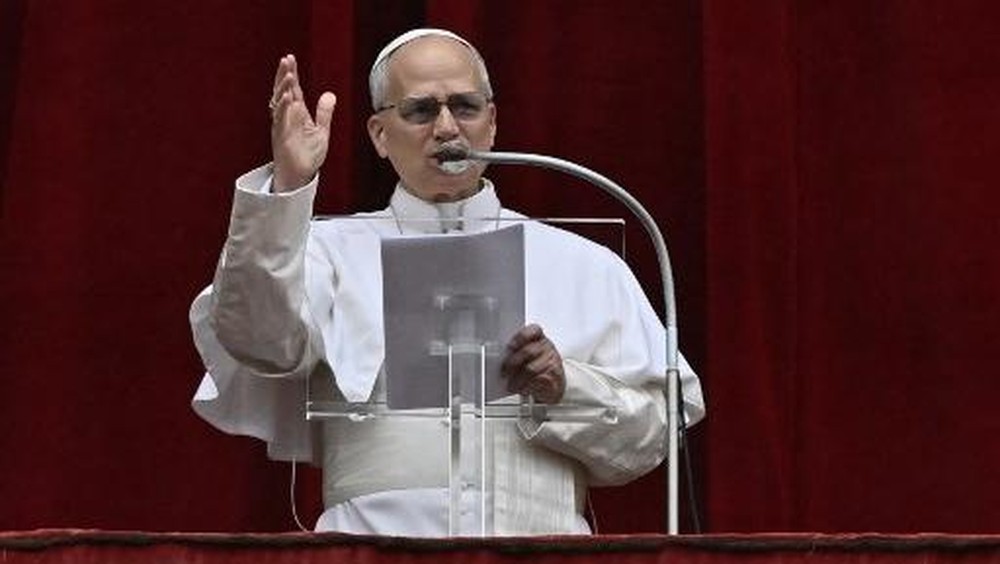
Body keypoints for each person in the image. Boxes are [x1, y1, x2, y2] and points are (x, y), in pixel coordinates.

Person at [190, 28, 705, 536]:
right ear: (379, 135)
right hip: (371, 547)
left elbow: (654, 432)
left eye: (465, 106)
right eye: (420, 110)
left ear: (492, 123)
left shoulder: (584, 264)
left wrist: (564, 387)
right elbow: (258, 340)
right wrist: (288, 186)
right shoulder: (327, 252)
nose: (446, 127)